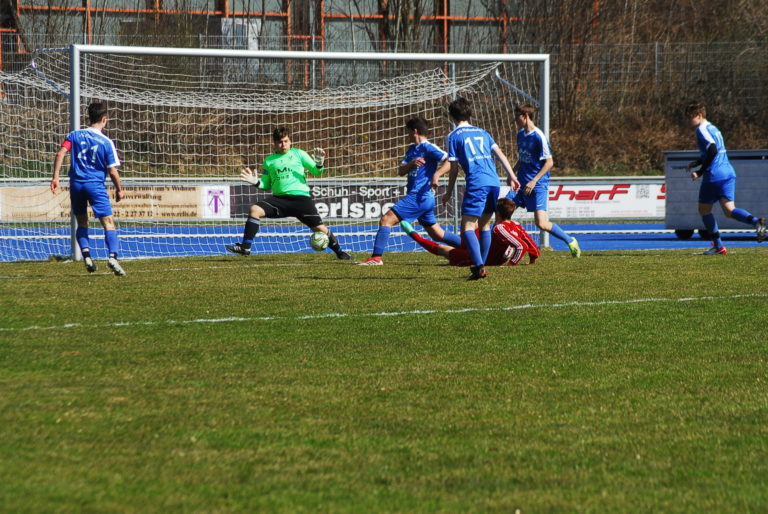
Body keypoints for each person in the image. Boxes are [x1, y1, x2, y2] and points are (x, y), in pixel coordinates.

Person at [226, 127, 352, 259]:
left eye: (286, 141)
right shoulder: (269, 161)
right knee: (255, 210)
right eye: (280, 142)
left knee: (320, 229)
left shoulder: (299, 154)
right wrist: (256, 182)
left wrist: (320, 164)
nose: (283, 144)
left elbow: (317, 172)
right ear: (274, 143)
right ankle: (245, 247)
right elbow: (266, 185)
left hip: (301, 200)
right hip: (280, 200)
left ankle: (340, 253)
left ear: (290, 141)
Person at [359, 117, 461, 265]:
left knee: (386, 219)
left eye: (407, 132)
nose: (406, 135)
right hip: (421, 198)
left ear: (414, 131)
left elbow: (450, 161)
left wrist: (437, 175)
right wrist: (412, 163)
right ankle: (470, 247)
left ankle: (376, 258)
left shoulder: (428, 147)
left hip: (419, 196)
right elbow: (401, 171)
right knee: (438, 234)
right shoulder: (412, 149)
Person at [442, 97, 520, 280]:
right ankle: (481, 266)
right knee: (485, 225)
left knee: (467, 227)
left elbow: (453, 168)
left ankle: (478, 266)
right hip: (493, 182)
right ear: (470, 113)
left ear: (451, 116)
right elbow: (500, 154)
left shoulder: (453, 136)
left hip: (477, 183)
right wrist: (512, 175)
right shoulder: (483, 132)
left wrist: (448, 191)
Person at [50, 102, 126, 276]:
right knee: (108, 222)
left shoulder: (74, 135)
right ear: (104, 119)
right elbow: (112, 171)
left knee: (82, 222)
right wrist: (119, 189)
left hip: (76, 184)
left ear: (89, 117)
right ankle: (113, 257)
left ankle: (86, 256)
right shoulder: (106, 142)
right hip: (95, 185)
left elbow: (60, 153)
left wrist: (55, 177)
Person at [685, 101, 766, 254]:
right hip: (728, 172)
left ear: (699, 115)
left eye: (691, 117)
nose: (689, 120)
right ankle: (756, 222)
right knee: (729, 210)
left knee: (704, 210)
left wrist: (700, 171)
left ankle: (718, 246)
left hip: (714, 175)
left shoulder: (701, 130)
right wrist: (697, 162)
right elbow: (714, 151)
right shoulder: (713, 128)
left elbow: (713, 150)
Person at [507, 103, 581, 258]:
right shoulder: (520, 134)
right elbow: (523, 157)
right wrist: (512, 173)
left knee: (541, 223)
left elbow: (549, 162)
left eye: (517, 117)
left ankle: (571, 241)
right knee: (503, 211)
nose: (515, 120)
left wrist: (534, 181)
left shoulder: (539, 136)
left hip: (537, 185)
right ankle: (507, 247)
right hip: (521, 184)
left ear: (525, 116)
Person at [401, 197, 539, 267]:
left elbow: (522, 246)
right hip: (484, 249)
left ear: (497, 212)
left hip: (482, 257)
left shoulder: (500, 228)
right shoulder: (516, 225)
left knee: (444, 248)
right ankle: (427, 224)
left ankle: (413, 234)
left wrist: (511, 265)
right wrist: (533, 257)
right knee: (472, 231)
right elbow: (529, 242)